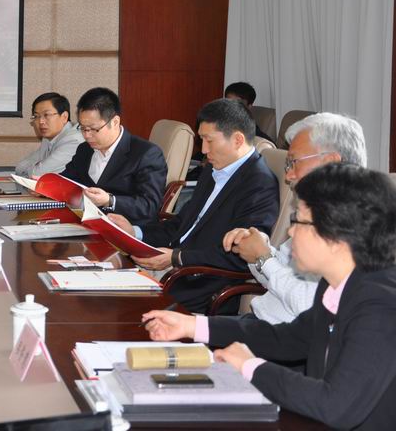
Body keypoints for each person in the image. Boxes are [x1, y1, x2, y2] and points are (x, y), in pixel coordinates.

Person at [143, 164, 396, 430]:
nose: (290, 232)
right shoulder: (338, 284)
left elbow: (337, 406)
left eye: (298, 220)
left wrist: (250, 366)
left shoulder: (381, 306)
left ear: (337, 236)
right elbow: (288, 339)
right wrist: (193, 325)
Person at [111, 98, 279, 314]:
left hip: (201, 285)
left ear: (237, 140)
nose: (204, 150)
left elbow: (242, 254)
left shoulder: (259, 184)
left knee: (116, 307)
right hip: (174, 271)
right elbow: (181, 224)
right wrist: (135, 232)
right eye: (201, 140)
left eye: (209, 140)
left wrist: (176, 257)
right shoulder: (212, 170)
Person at [222, 112, 367, 323]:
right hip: (257, 325)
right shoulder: (318, 211)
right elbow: (279, 275)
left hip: (285, 338)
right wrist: (256, 250)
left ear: (330, 163)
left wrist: (264, 258)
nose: (288, 175)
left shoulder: (355, 226)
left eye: (294, 162)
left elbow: (310, 305)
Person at [59, 87, 166, 223]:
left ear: (115, 122)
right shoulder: (85, 149)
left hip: (126, 229)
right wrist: (42, 185)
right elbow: (66, 180)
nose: (87, 135)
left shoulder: (146, 154)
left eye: (93, 129)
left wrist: (110, 200)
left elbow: (149, 206)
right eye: (83, 128)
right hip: (85, 224)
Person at [15, 92, 82, 178]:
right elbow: (19, 167)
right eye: (36, 116)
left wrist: (36, 166)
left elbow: (37, 174)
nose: (41, 121)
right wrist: (37, 166)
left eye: (46, 115)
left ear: (64, 117)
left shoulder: (73, 141)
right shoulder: (48, 138)